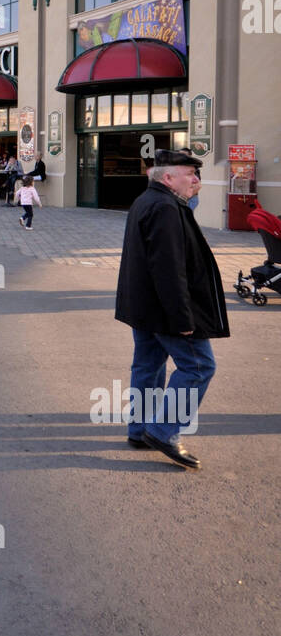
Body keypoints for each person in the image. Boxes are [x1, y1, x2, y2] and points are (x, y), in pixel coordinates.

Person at [114, 149, 229, 470]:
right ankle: (163, 432)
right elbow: (168, 267)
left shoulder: (150, 200)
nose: (196, 180)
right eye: (190, 173)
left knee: (148, 367)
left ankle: (140, 430)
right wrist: (182, 318)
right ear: (168, 177)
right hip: (166, 310)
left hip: (145, 307)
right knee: (198, 368)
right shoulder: (165, 207)